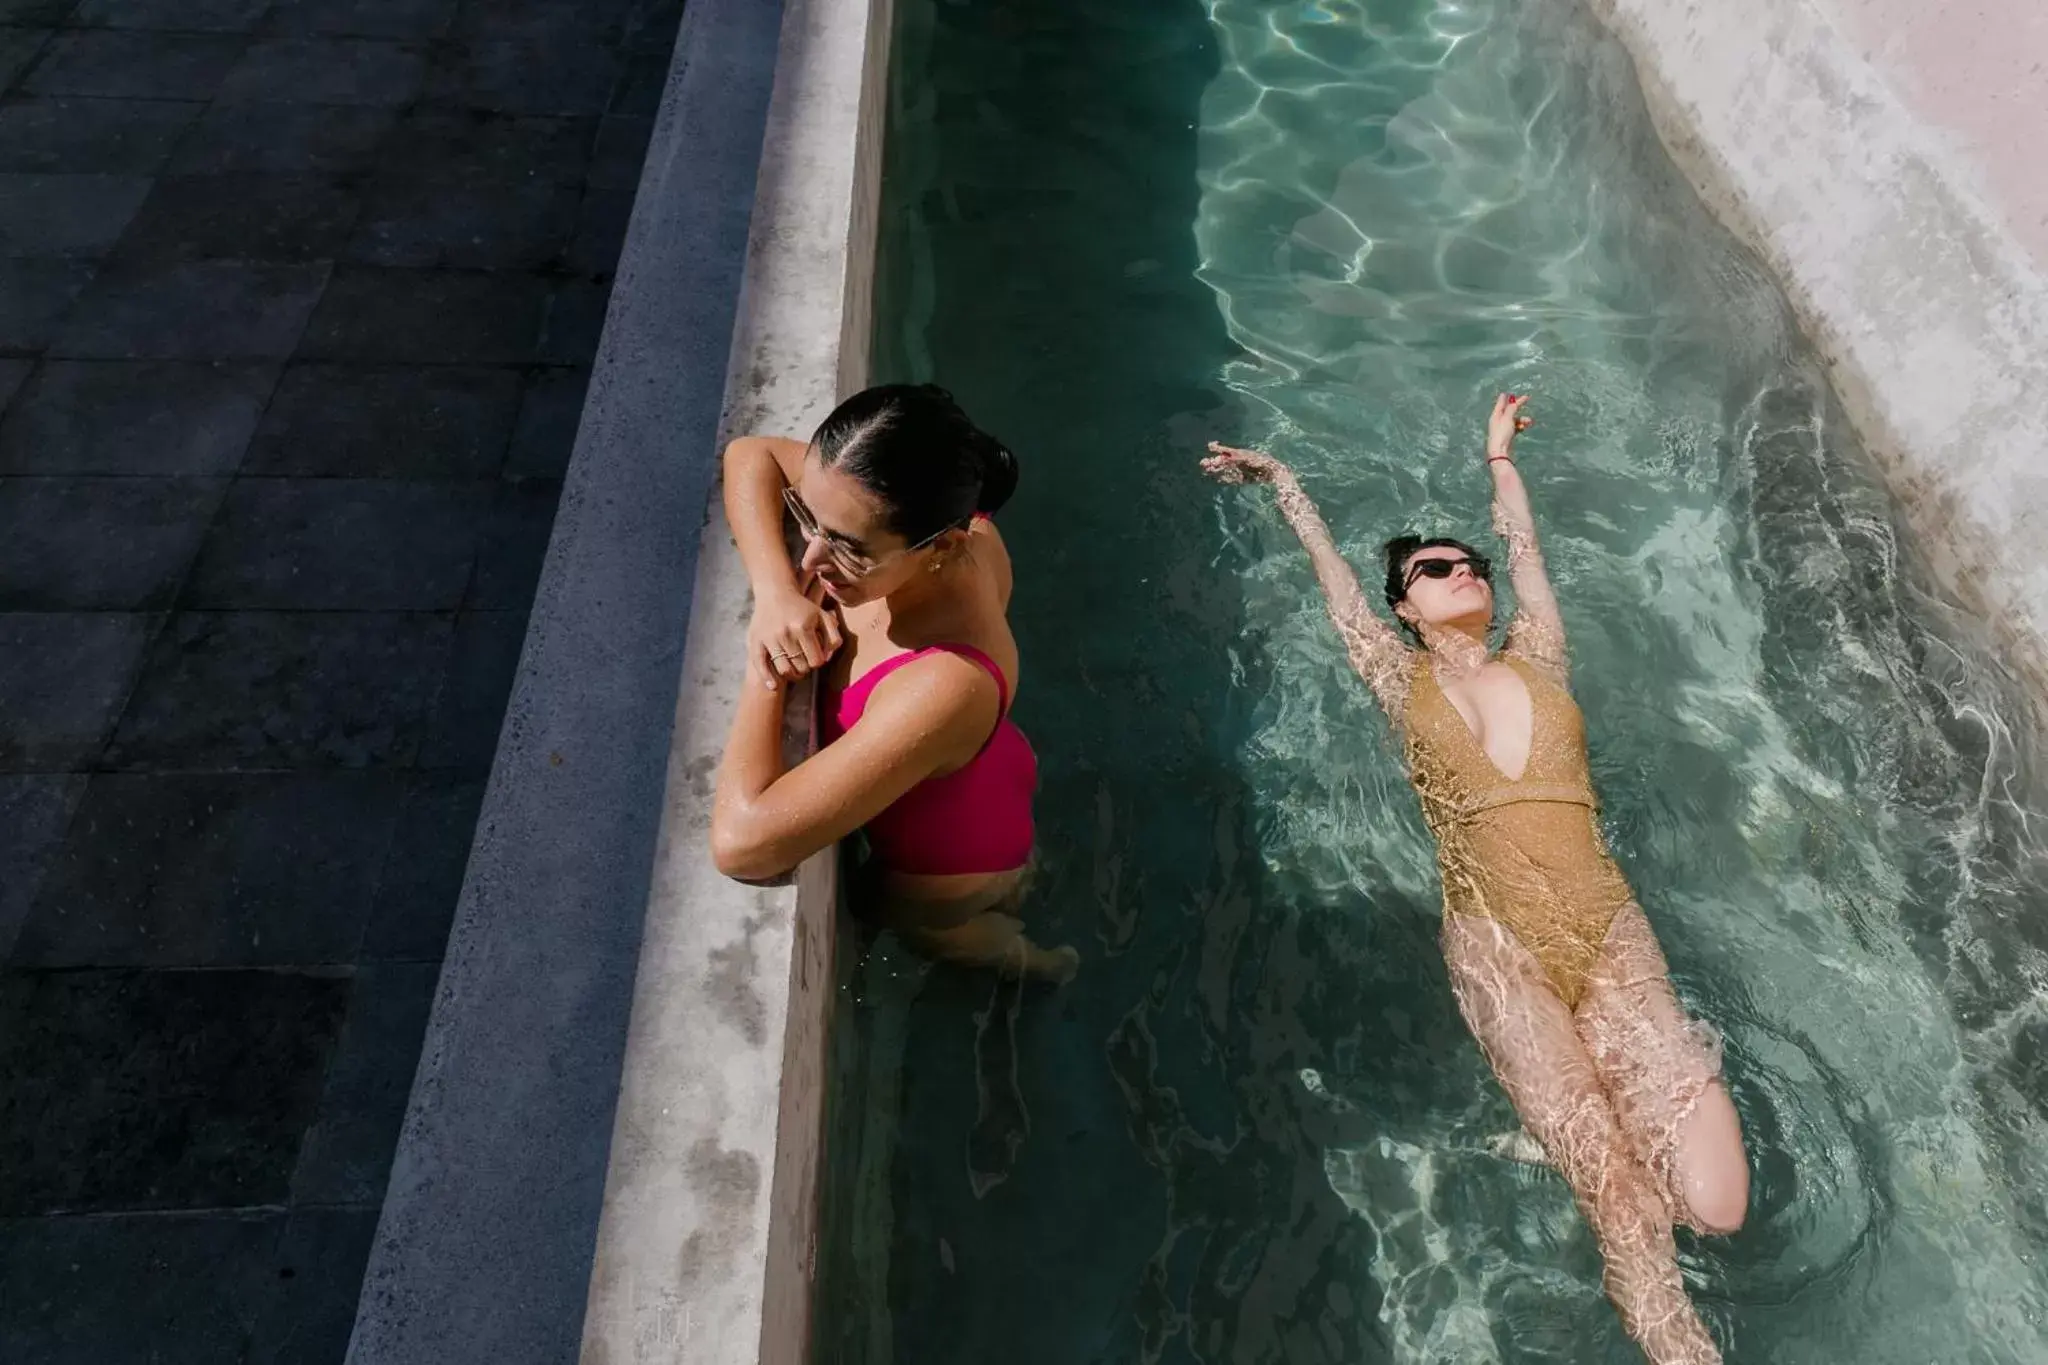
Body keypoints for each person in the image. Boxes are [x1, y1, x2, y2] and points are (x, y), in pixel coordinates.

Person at [1202, 394, 1748, 1364]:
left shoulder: (1538, 656)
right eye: (1432, 570)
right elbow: (1334, 586)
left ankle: (1567, 1120)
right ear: (1402, 609)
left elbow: (1528, 557)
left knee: (1715, 1209)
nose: (1463, 573)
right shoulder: (1394, 677)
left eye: (1469, 565)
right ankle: (1678, 1341)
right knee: (1618, 1195)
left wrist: (1499, 463)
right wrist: (1284, 487)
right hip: (1500, 949)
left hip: (1606, 929)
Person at [710, 384, 1079, 983]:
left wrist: (766, 669)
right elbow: (750, 454)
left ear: (942, 546)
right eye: (808, 518)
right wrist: (775, 594)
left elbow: (742, 844)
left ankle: (1038, 965)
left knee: (900, 919)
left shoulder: (945, 681)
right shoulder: (938, 521)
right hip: (973, 773)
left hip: (949, 868)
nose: (811, 561)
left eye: (850, 552)